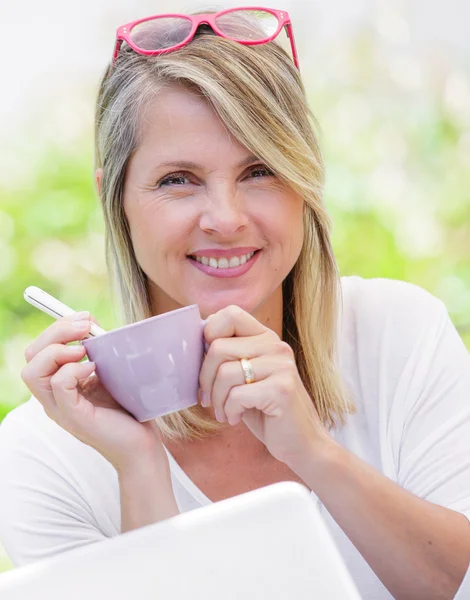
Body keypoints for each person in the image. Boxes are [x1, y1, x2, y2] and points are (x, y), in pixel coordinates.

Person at [0, 6, 469, 599]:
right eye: (178, 179)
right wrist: (141, 469)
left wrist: (315, 453)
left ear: (306, 181)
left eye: (260, 170)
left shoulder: (397, 337)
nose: (225, 219)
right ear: (114, 196)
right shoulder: (49, 454)